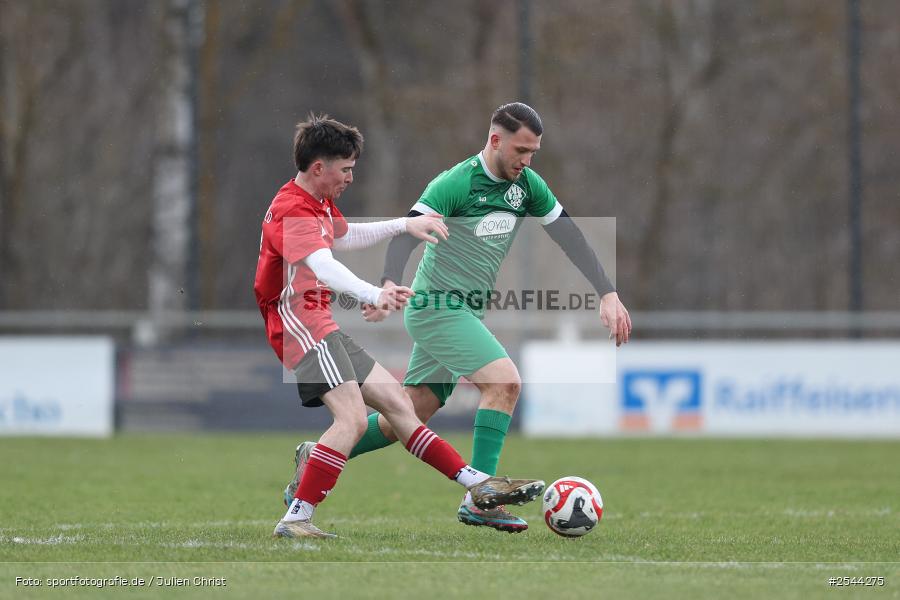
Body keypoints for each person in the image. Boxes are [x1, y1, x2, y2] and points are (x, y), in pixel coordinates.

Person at [283, 103, 631, 533]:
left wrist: (608, 292)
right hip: (437, 308)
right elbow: (407, 234)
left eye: (534, 153)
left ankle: (315, 457)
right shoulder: (456, 182)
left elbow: (569, 235)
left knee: (403, 417)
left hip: (465, 310)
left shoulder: (528, 186)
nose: (527, 160)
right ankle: (481, 500)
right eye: (521, 150)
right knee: (504, 382)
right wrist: (387, 283)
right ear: (495, 140)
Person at [255, 113, 545, 539]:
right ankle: (297, 517)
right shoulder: (292, 210)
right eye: (347, 169)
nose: (351, 178)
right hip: (299, 324)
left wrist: (404, 224)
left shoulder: (314, 201)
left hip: (320, 323)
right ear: (320, 167)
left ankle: (478, 486)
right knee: (352, 421)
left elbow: (343, 236)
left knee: (401, 408)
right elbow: (323, 264)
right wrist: (375, 294)